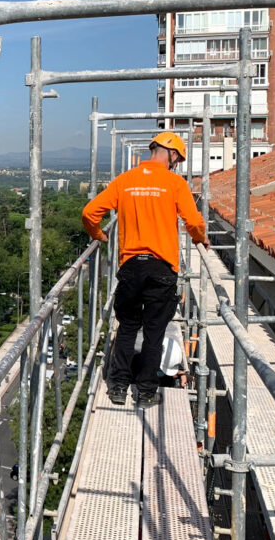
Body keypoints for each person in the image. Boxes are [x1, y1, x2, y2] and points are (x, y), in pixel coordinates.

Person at [82, 131, 209, 408]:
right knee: (154, 333)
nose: (176, 163)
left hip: (131, 266)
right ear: (172, 154)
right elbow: (194, 221)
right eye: (177, 158)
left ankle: (117, 388)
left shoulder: (125, 181)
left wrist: (98, 235)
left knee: (127, 328)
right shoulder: (175, 183)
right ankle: (145, 393)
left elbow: (90, 212)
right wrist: (200, 238)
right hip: (161, 268)